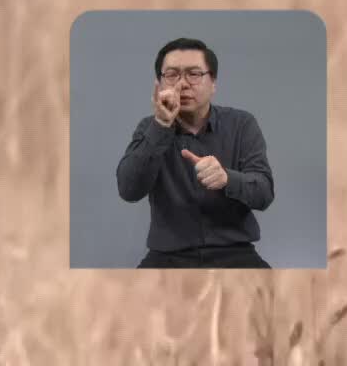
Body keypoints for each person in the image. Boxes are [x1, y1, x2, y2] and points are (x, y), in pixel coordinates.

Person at [115, 37, 275, 268]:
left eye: (194, 74)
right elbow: (128, 190)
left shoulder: (242, 124)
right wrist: (161, 126)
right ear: (159, 84)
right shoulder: (148, 128)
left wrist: (227, 179)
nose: (182, 84)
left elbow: (264, 192)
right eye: (172, 75)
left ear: (213, 82)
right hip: (168, 257)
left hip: (235, 254)